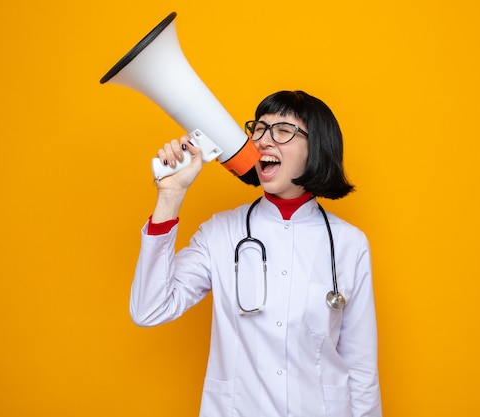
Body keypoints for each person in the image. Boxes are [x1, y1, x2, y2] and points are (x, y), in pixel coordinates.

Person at [130, 90, 382, 416]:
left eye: (282, 131)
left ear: (316, 147)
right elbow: (149, 309)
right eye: (259, 129)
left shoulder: (349, 244)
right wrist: (170, 196)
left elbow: (362, 370)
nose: (263, 141)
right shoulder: (221, 232)